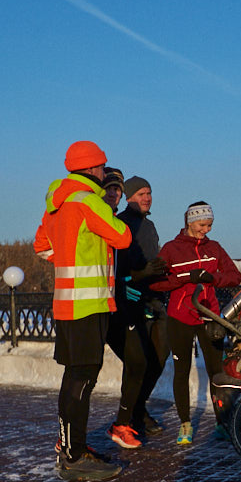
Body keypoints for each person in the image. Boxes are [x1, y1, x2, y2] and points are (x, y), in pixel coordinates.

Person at [34, 140, 131, 481]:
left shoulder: (57, 203)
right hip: (89, 305)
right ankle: (74, 457)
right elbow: (123, 237)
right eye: (103, 168)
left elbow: (41, 246)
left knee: (73, 377)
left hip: (65, 302)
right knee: (83, 379)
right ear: (92, 169)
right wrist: (105, 208)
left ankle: (69, 446)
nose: (104, 173)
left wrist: (69, 259)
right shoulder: (88, 200)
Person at [150, 202, 241, 445]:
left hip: (209, 316)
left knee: (216, 372)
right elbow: (156, 283)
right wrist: (184, 278)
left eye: (209, 225)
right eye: (202, 225)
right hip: (179, 317)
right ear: (190, 222)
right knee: (182, 371)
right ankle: (185, 424)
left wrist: (214, 278)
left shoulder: (214, 248)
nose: (206, 230)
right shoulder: (171, 249)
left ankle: (222, 423)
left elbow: (235, 276)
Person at [104, 175, 170, 449]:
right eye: (141, 193)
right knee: (138, 362)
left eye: (149, 193)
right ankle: (127, 418)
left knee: (159, 359)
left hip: (153, 300)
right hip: (128, 304)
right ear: (129, 197)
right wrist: (139, 274)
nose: (147, 197)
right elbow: (117, 271)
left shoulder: (149, 225)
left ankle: (137, 409)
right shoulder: (120, 225)